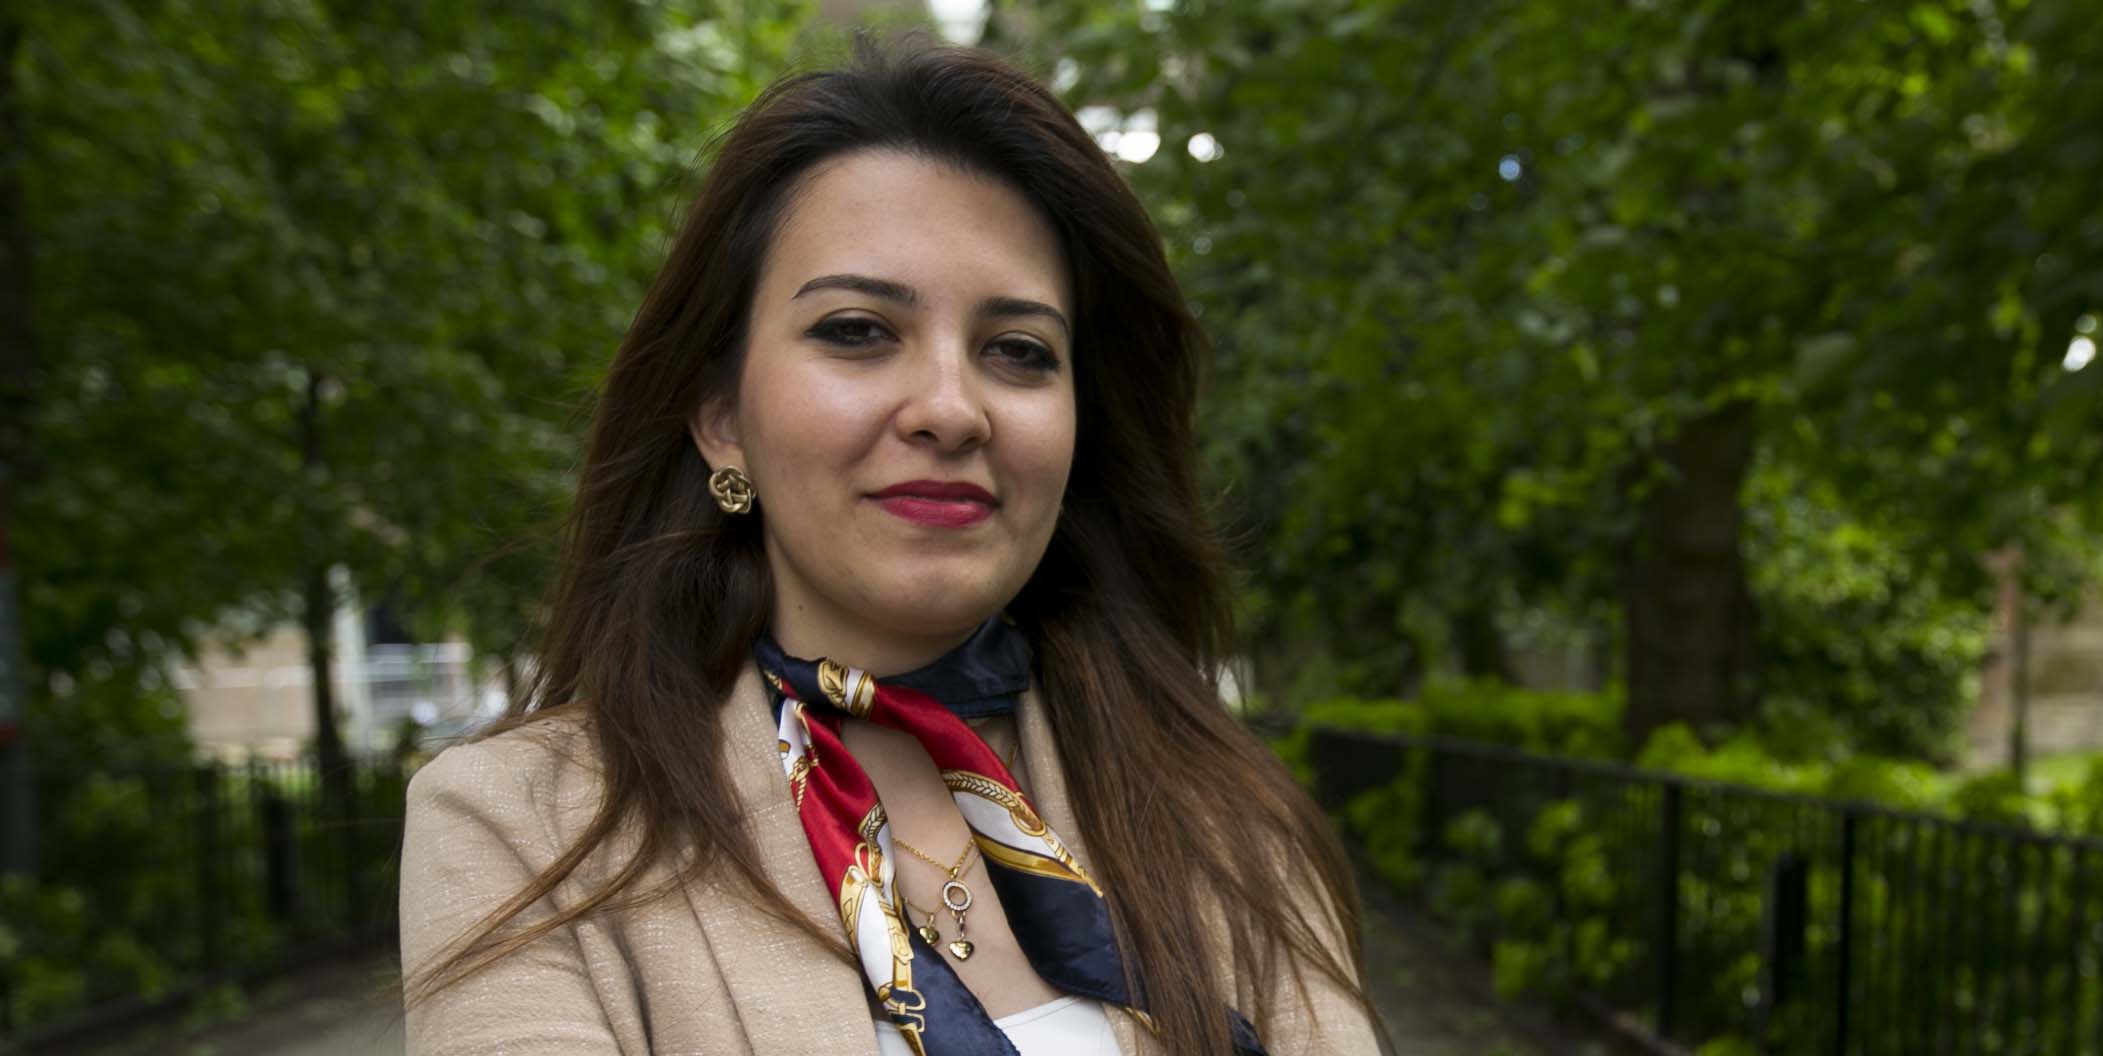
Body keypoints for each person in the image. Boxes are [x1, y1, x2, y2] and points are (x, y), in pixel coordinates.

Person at [398, 36, 1384, 1056]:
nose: (952, 411)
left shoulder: (1227, 819)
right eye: (858, 330)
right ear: (720, 417)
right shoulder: (521, 826)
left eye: (1017, 351)